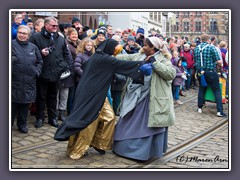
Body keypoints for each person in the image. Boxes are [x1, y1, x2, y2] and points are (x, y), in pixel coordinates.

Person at [54, 39, 151, 159]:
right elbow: (123, 65)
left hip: (98, 93)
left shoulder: (99, 56)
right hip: (91, 94)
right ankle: (77, 150)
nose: (116, 50)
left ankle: (98, 143)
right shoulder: (104, 59)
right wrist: (142, 64)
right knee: (89, 120)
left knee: (110, 117)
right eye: (115, 48)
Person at [113, 36, 176, 161]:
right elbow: (127, 58)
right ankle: (123, 147)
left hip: (152, 99)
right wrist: (110, 58)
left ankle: (142, 152)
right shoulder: (140, 56)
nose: (143, 47)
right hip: (136, 94)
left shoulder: (163, 59)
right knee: (128, 121)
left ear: (153, 48)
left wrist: (155, 63)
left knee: (146, 126)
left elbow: (171, 74)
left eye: (146, 45)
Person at [29, 16, 71, 128]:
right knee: (41, 97)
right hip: (42, 73)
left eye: (57, 26)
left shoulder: (60, 38)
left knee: (53, 97)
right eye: (53, 25)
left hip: (56, 73)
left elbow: (66, 55)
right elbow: (29, 52)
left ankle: (52, 118)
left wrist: (63, 66)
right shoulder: (35, 37)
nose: (55, 27)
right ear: (46, 25)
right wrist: (40, 52)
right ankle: (40, 118)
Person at [12, 25, 43, 133]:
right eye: (20, 32)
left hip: (29, 81)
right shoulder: (11, 44)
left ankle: (22, 124)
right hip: (14, 81)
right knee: (12, 105)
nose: (21, 35)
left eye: (24, 33)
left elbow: (40, 61)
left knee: (25, 105)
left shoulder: (33, 47)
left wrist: (36, 72)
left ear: (28, 36)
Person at [194, 34, 227, 117]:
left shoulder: (196, 48)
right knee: (217, 90)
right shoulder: (211, 47)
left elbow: (195, 60)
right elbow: (218, 61)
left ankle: (199, 108)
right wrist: (219, 64)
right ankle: (219, 111)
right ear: (208, 40)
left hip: (200, 72)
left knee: (202, 89)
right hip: (210, 72)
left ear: (201, 39)